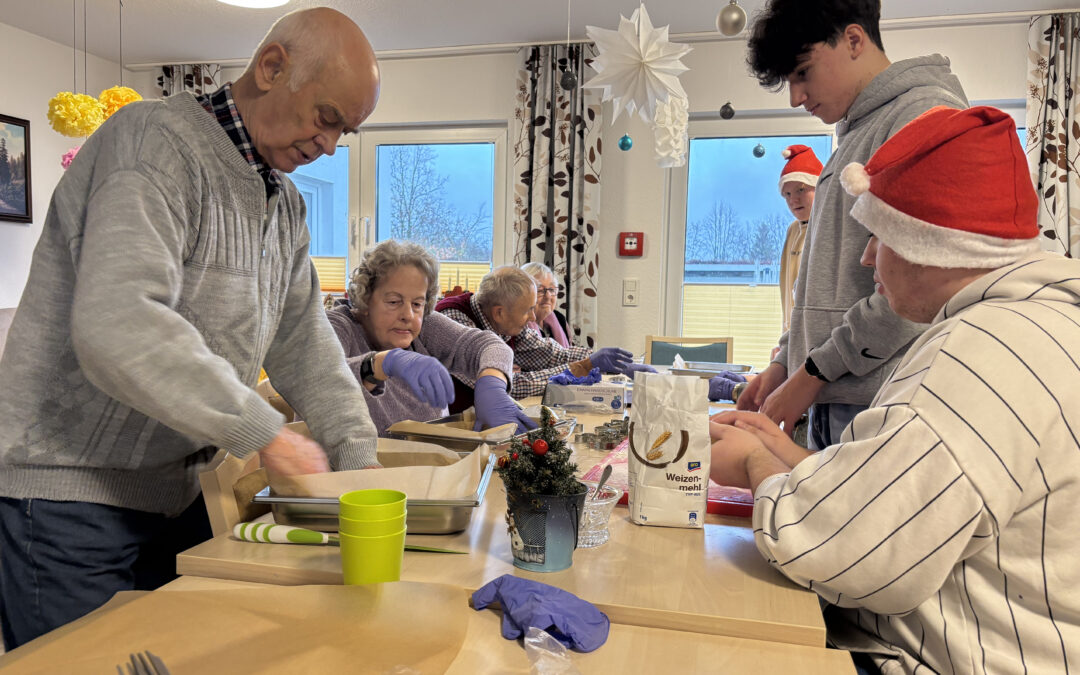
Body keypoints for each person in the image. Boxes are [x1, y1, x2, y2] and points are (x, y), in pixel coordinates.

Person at [0, 7, 382, 649]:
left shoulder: (282, 202)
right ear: (271, 68)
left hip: (175, 498)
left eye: (346, 130)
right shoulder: (152, 142)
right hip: (66, 499)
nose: (331, 146)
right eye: (327, 118)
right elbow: (119, 323)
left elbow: (305, 342)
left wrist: (358, 460)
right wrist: (267, 435)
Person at [710, 106, 1079, 674]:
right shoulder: (1038, 325)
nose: (864, 256)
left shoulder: (980, 355)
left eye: (878, 236)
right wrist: (788, 454)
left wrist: (757, 463)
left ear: (929, 244)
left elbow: (843, 552)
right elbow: (902, 502)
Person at [737, 0, 968, 450]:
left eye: (802, 72)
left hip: (878, 398)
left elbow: (916, 288)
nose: (795, 97)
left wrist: (811, 373)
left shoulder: (920, 115)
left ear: (854, 40)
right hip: (837, 392)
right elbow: (827, 282)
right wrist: (786, 361)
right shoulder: (853, 135)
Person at [327, 240, 535, 435]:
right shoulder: (336, 326)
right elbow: (318, 381)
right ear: (364, 299)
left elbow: (488, 345)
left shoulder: (425, 326)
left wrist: (493, 384)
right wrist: (379, 364)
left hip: (432, 462)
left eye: (417, 303)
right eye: (393, 302)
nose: (408, 315)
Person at [435, 266, 642, 400]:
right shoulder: (454, 321)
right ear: (499, 312)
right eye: (528, 311)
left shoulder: (507, 318)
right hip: (445, 427)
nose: (533, 318)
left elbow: (550, 354)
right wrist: (579, 368)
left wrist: (606, 361)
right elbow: (506, 386)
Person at [521, 262, 572, 347]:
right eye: (540, 290)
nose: (548, 296)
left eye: (552, 290)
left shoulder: (560, 318)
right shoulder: (518, 324)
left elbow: (569, 353)